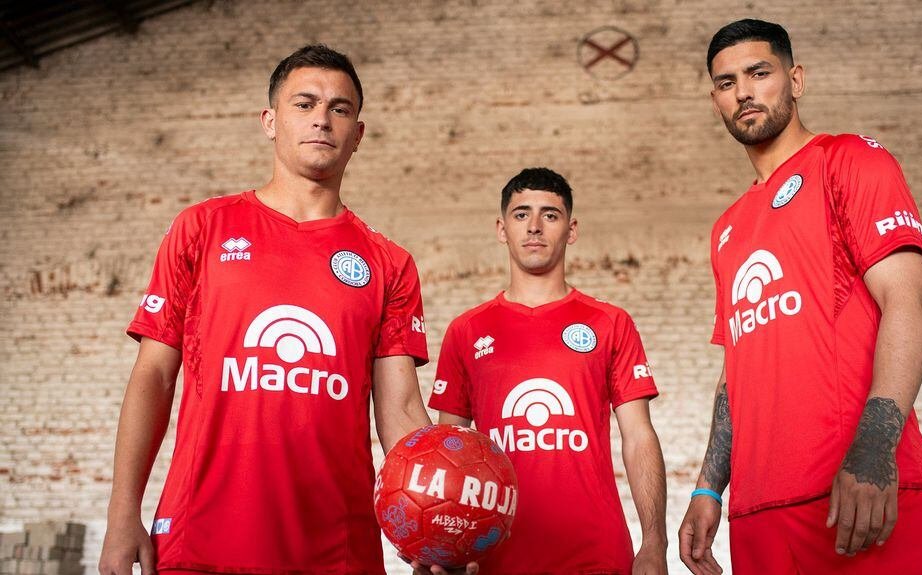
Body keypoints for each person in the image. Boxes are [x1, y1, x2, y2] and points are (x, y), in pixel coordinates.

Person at [97, 45, 472, 575]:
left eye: (340, 108)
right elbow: (153, 377)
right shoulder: (202, 228)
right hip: (201, 539)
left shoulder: (389, 263)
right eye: (304, 103)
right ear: (270, 122)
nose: (322, 118)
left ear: (358, 134)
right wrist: (122, 515)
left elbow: (402, 411)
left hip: (336, 552)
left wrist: (433, 526)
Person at [677, 19, 922, 575]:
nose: (744, 92)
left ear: (796, 80)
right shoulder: (727, 228)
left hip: (859, 495)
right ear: (716, 101)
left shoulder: (849, 159)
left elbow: (911, 301)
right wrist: (708, 489)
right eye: (727, 83)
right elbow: (736, 372)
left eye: (759, 73)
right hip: (759, 515)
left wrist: (875, 449)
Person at [428, 167, 669, 574]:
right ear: (502, 229)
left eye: (550, 215)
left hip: (596, 556)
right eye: (521, 214)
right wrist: (442, 545)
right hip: (495, 558)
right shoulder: (466, 330)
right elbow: (450, 453)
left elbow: (638, 436)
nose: (535, 226)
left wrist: (654, 541)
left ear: (571, 231)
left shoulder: (610, 322)